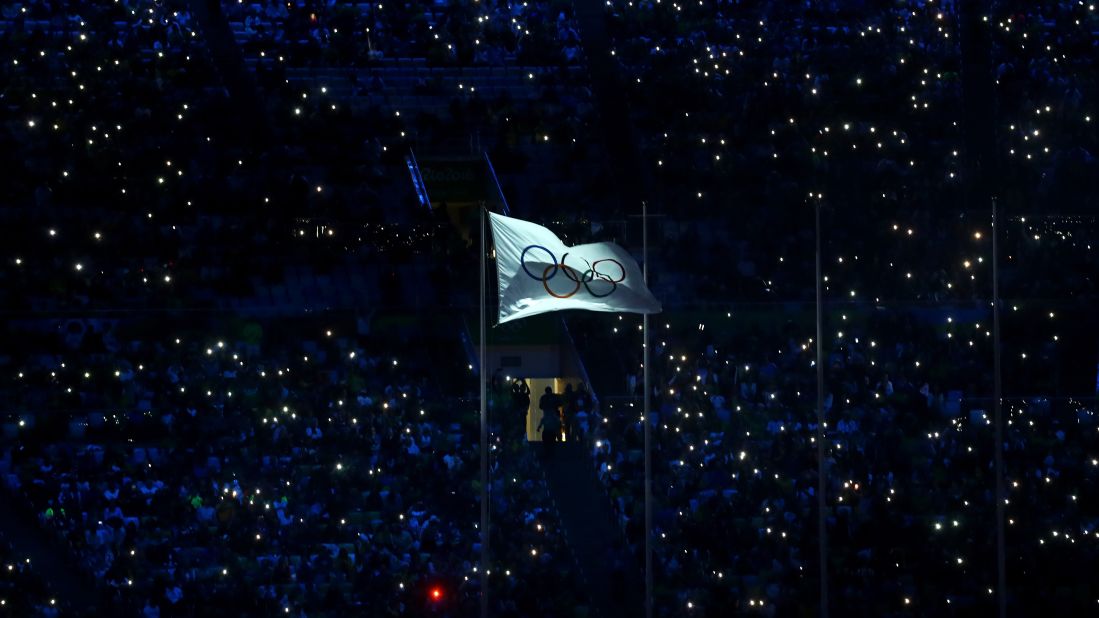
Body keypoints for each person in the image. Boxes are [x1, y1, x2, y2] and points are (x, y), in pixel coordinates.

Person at [537, 387, 561, 454]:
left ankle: (550, 449)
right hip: (550, 414)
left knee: (551, 431)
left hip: (551, 413)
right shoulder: (552, 397)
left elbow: (541, 406)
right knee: (551, 430)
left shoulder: (545, 397)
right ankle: (552, 448)